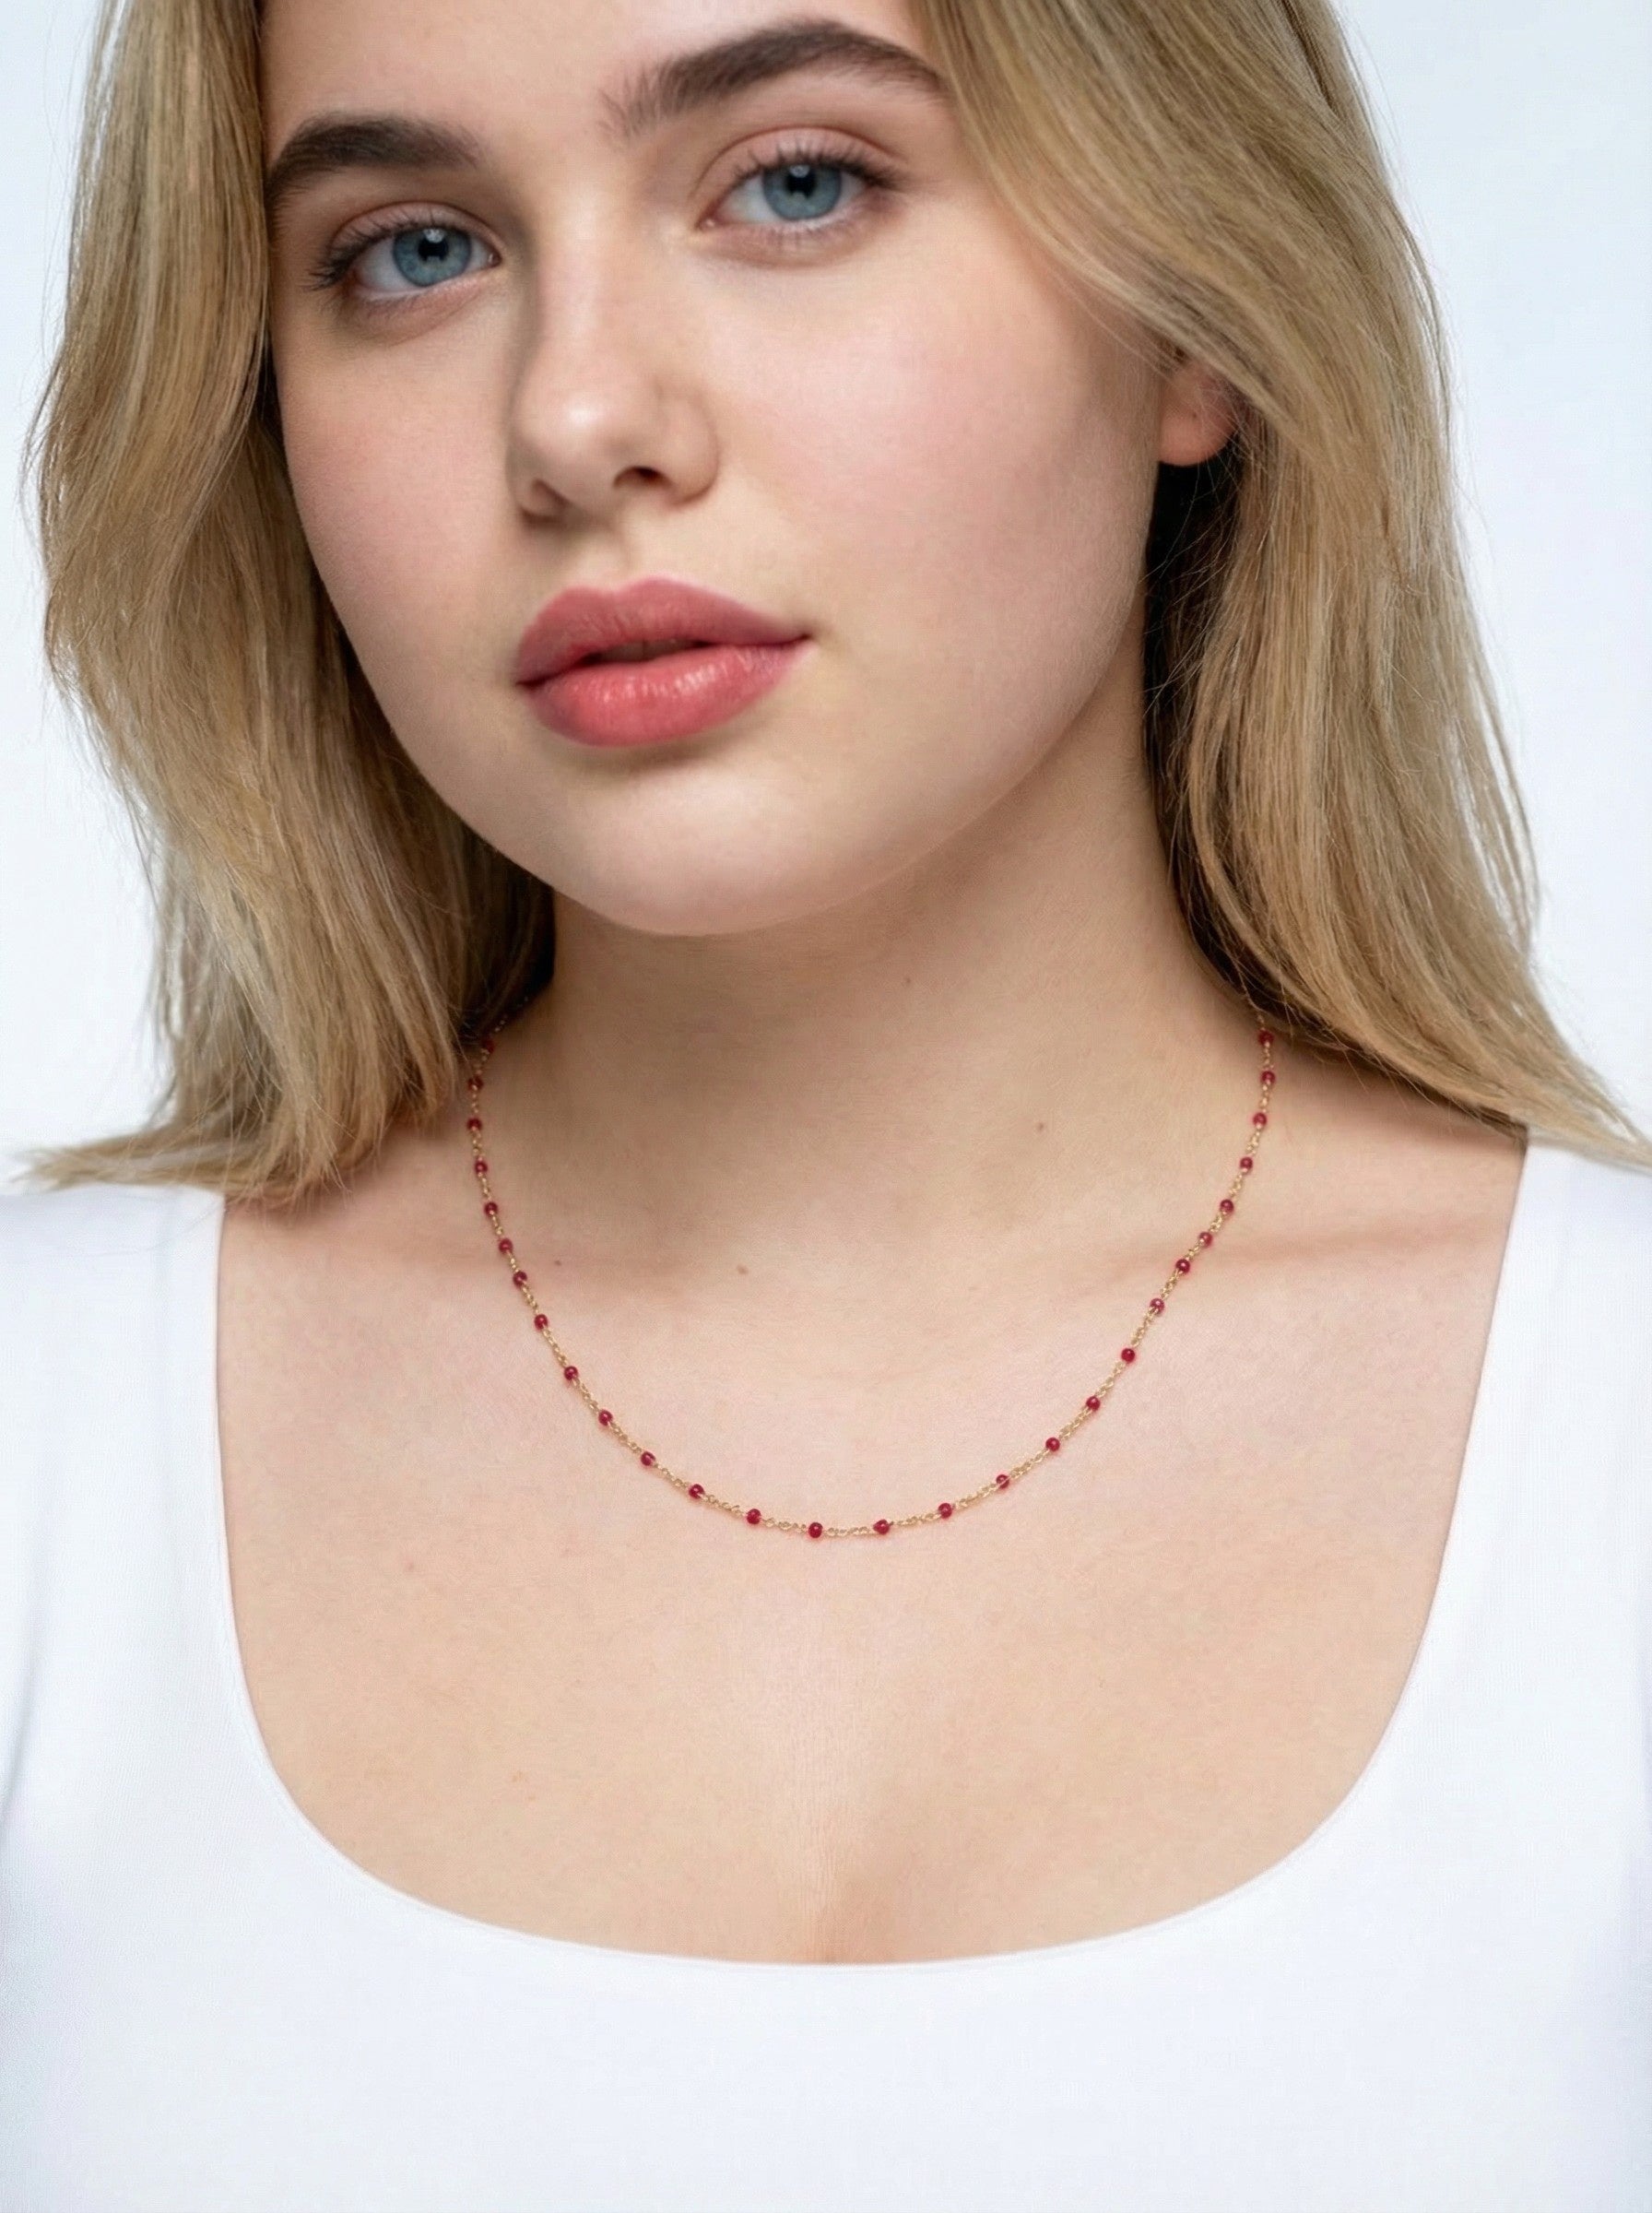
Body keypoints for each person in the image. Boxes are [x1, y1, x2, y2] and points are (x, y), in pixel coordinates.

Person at [2, 0, 1647, 2204]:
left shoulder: (1607, 1444)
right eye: (412, 251)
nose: (579, 419)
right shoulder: (44, 1440)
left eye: (796, 185)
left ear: (1195, 316)